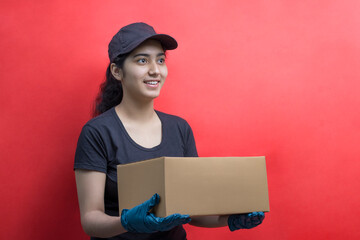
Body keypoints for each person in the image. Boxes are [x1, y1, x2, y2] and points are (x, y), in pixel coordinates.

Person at [74, 22, 265, 240]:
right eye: (142, 60)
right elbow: (90, 219)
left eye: (161, 60)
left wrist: (229, 219)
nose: (155, 70)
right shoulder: (97, 133)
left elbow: (192, 209)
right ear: (117, 71)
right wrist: (126, 222)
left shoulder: (180, 129)